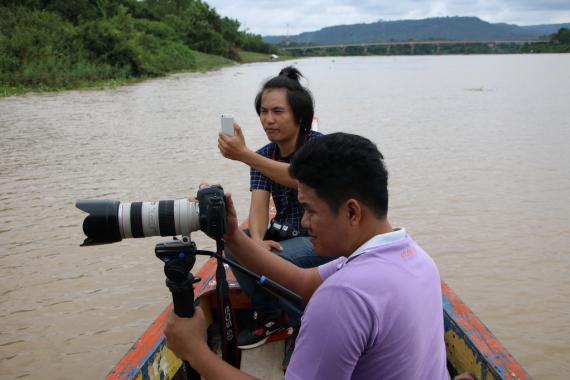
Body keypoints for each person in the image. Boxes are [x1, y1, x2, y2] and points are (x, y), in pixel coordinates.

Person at [165, 133, 449, 379]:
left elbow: (329, 293)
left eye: (310, 210)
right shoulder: (412, 256)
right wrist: (232, 236)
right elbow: (303, 282)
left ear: (352, 212)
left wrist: (197, 353)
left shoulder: (344, 297)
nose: (303, 223)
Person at [217, 66, 333, 349]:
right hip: (283, 236)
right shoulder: (263, 155)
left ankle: (305, 327)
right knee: (232, 243)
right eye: (263, 112)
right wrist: (256, 243)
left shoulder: (321, 147)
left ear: (299, 115)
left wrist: (245, 156)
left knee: (273, 263)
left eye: (278, 112)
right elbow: (258, 205)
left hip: (320, 238)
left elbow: (300, 178)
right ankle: (273, 317)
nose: (268, 120)